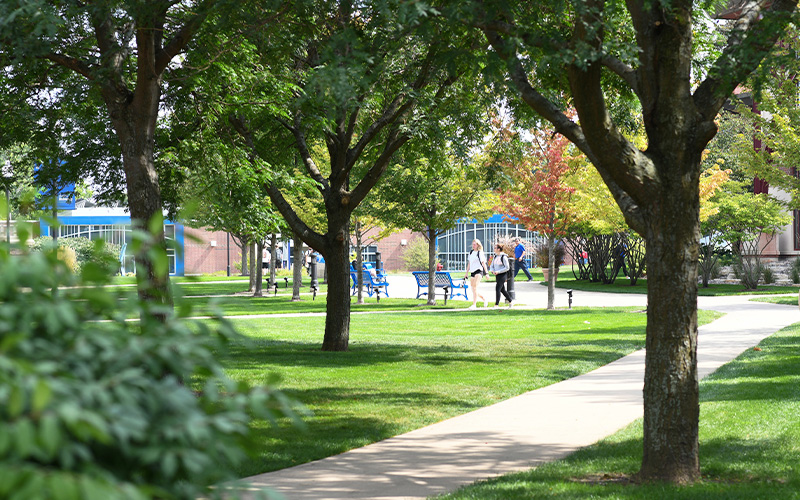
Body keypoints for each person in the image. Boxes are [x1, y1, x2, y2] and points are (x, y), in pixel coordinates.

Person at [464, 239, 489, 309]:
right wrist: (466, 273)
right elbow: (469, 263)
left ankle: (474, 305)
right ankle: (484, 298)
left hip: (479, 271)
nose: (473, 246)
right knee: (473, 289)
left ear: (478, 245)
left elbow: (483, 263)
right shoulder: (471, 252)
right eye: (473, 244)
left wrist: (486, 273)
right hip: (472, 271)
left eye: (475, 244)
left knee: (475, 287)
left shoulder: (480, 253)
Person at [489, 244, 514, 308]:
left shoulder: (504, 257)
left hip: (503, 275)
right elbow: (492, 265)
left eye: (495, 248)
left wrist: (499, 271)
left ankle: (496, 304)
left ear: (498, 249)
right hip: (497, 275)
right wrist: (492, 270)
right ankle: (510, 301)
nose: (494, 249)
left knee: (497, 288)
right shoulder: (495, 257)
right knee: (502, 290)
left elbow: (507, 267)